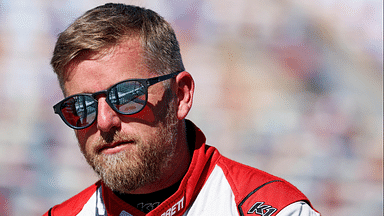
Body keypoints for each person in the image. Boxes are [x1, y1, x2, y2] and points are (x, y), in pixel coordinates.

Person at [44, 3, 320, 216]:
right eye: (80, 105)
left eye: (126, 94)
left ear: (180, 96)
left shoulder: (276, 208)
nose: (104, 122)